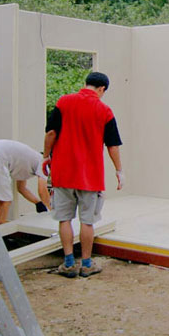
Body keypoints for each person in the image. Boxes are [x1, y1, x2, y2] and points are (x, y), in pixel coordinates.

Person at [43, 72, 124, 278]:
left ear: (86, 83)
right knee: (87, 222)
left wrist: (46, 157)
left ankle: (69, 263)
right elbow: (113, 146)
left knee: (64, 219)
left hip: (63, 173)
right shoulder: (104, 110)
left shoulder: (63, 102)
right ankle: (87, 264)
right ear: (102, 89)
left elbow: (51, 133)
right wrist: (119, 170)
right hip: (90, 176)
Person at [0, 140, 51, 224]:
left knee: (5, 197)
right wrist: (51, 209)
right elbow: (42, 190)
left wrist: (38, 203)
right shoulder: (44, 163)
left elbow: (21, 188)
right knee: (6, 198)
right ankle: (1, 225)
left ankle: (0, 225)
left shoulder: (26, 164)